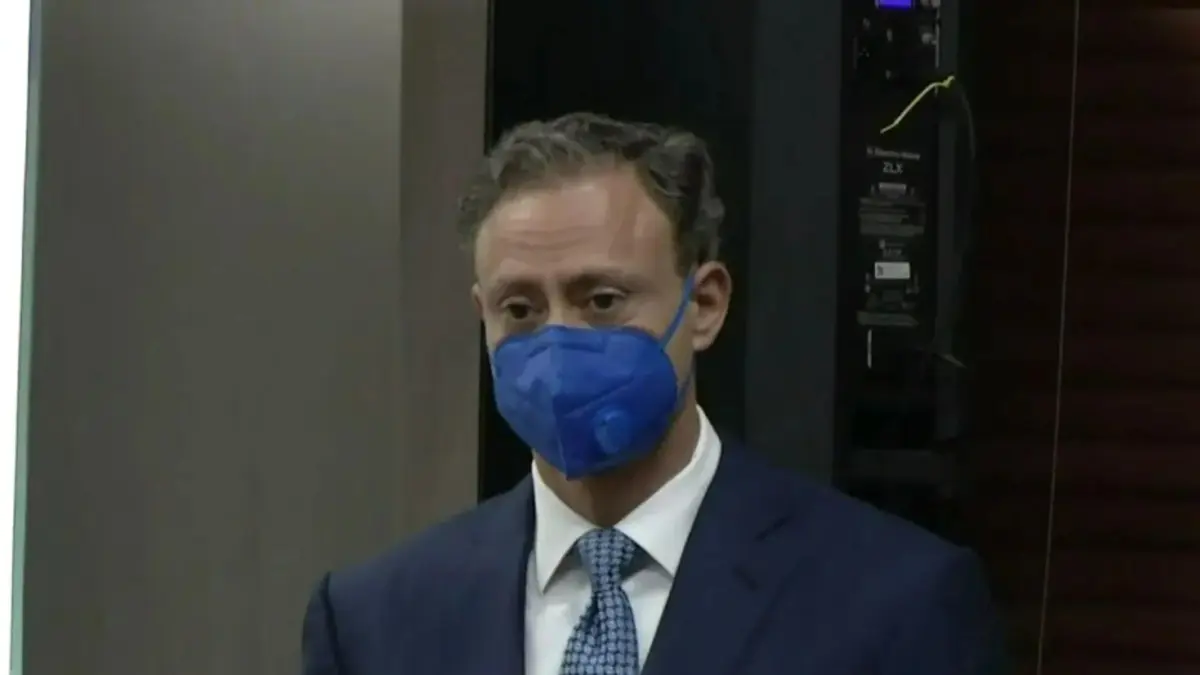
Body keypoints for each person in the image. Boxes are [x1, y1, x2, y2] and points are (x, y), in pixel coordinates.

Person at [301, 112, 1007, 675]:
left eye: (602, 300)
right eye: (520, 309)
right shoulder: (372, 621)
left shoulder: (891, 602)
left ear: (704, 305)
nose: (558, 340)